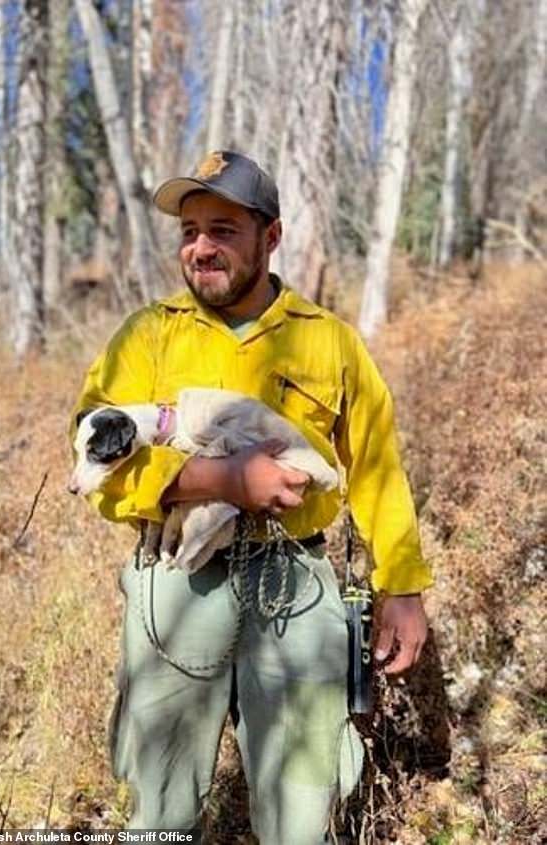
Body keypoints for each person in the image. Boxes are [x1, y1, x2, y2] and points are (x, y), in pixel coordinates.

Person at [71, 151, 434, 844]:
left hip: (295, 581)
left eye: (223, 230)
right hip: (178, 581)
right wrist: (220, 481)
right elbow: (91, 451)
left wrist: (403, 587)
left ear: (271, 238)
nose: (200, 247)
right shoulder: (148, 336)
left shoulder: (328, 342)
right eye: (189, 231)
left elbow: (378, 467)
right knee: (161, 806)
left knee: (302, 811)